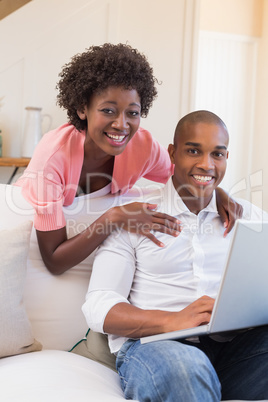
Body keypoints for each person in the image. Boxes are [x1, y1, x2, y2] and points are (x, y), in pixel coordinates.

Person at [82, 110, 268, 401]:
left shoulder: (247, 218)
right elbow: (99, 306)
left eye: (217, 155)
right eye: (194, 151)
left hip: (235, 351)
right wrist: (172, 320)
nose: (206, 165)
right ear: (172, 152)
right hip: (157, 348)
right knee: (187, 368)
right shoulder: (136, 216)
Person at [16, 44, 241, 275]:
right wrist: (114, 217)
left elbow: (186, 173)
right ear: (83, 109)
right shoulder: (52, 160)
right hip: (24, 228)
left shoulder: (142, 146)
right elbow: (55, 261)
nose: (121, 125)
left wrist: (218, 192)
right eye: (108, 110)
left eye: (132, 113)